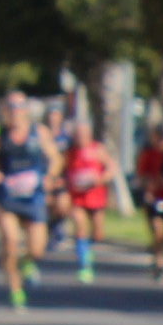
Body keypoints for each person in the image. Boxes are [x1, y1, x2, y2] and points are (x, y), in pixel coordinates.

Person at [0, 92, 54, 310]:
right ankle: (15, 290)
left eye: (18, 107)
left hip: (33, 197)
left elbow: (56, 158)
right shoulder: (0, 137)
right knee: (11, 243)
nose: (14, 112)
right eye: (10, 108)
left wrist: (50, 177)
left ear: (25, 110)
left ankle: (28, 262)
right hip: (8, 198)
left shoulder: (38, 133)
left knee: (38, 248)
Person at [60, 119, 114, 280]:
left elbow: (111, 167)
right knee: (80, 225)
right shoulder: (69, 152)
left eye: (84, 134)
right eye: (78, 135)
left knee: (98, 233)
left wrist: (101, 179)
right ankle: (84, 262)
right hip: (76, 197)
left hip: (95, 196)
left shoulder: (97, 149)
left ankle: (87, 249)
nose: (81, 138)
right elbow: (61, 170)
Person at [134, 118, 163, 279]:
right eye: (160, 137)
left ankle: (162, 248)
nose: (162, 141)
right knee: (158, 231)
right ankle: (159, 264)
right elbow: (141, 177)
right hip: (155, 199)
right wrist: (150, 186)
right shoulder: (147, 154)